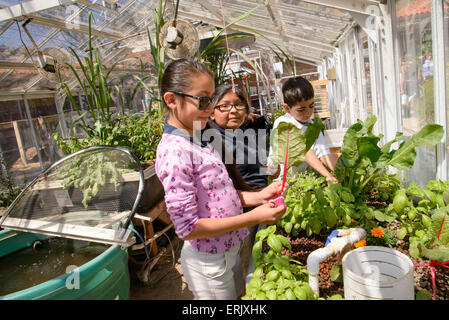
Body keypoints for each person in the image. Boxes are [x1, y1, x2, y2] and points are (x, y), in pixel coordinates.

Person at [155, 59, 286, 300]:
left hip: (227, 250)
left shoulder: (198, 140)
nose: (209, 108)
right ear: (172, 100)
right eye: (203, 100)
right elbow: (188, 228)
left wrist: (258, 196)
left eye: (210, 100)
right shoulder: (175, 152)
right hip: (209, 262)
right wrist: (254, 216)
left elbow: (218, 194)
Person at [269, 76, 338, 183]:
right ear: (287, 108)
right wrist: (327, 174)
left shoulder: (312, 125)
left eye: (311, 106)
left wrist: (340, 174)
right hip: (283, 182)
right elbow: (303, 151)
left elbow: (324, 153)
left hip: (305, 181)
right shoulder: (283, 123)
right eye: (301, 109)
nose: (308, 112)